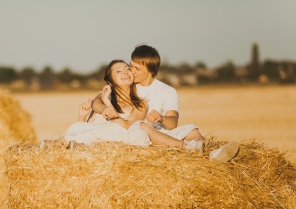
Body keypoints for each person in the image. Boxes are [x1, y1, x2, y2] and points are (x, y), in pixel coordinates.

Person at [91, 44, 239, 162]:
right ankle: (203, 153)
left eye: (136, 68)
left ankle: (212, 155)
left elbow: (172, 123)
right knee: (143, 129)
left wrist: (161, 118)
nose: (131, 71)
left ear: (150, 70)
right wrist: (104, 107)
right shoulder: (126, 85)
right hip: (138, 132)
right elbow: (97, 99)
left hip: (161, 132)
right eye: (130, 66)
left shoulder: (166, 91)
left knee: (194, 132)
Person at [41, 59, 150, 148]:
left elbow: (127, 127)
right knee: (75, 127)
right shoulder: (103, 96)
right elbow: (92, 116)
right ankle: (77, 144)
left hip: (118, 137)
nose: (125, 72)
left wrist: (108, 103)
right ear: (110, 81)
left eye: (127, 69)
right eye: (118, 71)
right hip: (98, 138)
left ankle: (62, 142)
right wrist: (82, 117)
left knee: (131, 133)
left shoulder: (140, 104)